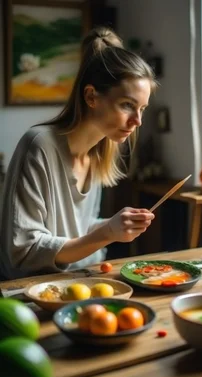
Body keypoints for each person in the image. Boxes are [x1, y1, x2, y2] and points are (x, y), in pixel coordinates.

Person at [0, 26, 157, 280]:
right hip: (27, 291)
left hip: (81, 280)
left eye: (142, 108)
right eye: (127, 105)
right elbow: (24, 250)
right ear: (91, 96)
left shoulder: (99, 153)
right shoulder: (38, 146)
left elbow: (78, 230)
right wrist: (107, 233)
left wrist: (115, 225)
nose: (137, 121)